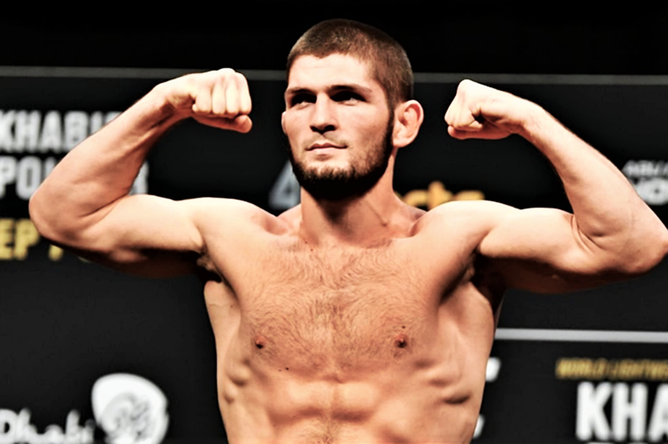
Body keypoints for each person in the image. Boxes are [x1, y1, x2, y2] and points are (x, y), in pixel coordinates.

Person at [29, 19, 668, 444]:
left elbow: (631, 244)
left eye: (348, 97)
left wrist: (532, 120)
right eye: (301, 100)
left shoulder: (458, 241)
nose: (321, 118)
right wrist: (163, 104)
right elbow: (63, 215)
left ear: (404, 123)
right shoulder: (231, 237)